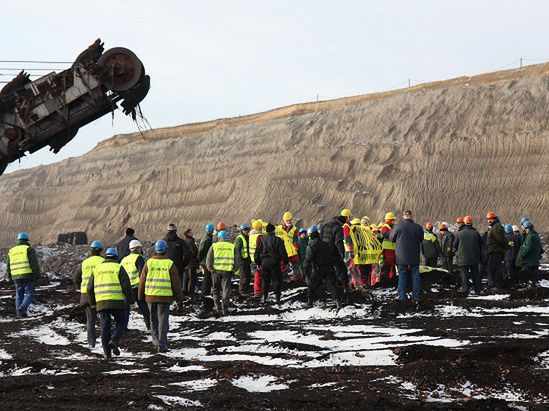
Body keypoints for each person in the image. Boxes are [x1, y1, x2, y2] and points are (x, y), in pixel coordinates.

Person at [87, 248, 134, 359]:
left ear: (106, 256)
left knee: (104, 328)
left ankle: (107, 355)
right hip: (117, 302)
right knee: (121, 322)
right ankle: (114, 340)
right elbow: (126, 287)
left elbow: (89, 288)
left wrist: (93, 303)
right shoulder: (118, 267)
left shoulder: (97, 269)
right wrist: (131, 301)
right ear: (116, 257)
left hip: (102, 303)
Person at [138, 240, 183, 353]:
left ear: (156, 250)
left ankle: (155, 340)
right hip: (164, 297)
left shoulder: (149, 263)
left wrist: (140, 295)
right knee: (163, 320)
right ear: (166, 250)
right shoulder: (169, 264)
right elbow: (176, 283)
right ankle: (162, 344)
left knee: (153, 319)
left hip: (150, 296)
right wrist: (179, 299)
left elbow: (142, 281)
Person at [73, 240, 104, 347]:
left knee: (90, 320)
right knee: (104, 318)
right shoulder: (103, 261)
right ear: (101, 250)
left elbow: (76, 278)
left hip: (86, 295)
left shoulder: (85, 262)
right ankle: (105, 342)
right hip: (101, 294)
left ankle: (91, 343)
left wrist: (80, 288)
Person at [302, 226, 341, 308]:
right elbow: (333, 256)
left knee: (312, 285)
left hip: (318, 269)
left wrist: (306, 272)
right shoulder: (327, 244)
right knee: (331, 285)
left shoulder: (311, 246)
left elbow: (307, 260)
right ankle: (338, 303)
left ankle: (309, 302)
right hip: (329, 268)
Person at [390, 210, 424, 302]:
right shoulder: (418, 227)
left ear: (403, 216)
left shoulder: (398, 226)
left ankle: (402, 296)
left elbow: (391, 238)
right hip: (414, 255)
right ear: (411, 216)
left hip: (401, 256)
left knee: (402, 275)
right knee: (415, 275)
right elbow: (421, 240)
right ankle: (416, 296)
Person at [7, 232, 41, 318]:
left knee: (19, 295)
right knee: (29, 293)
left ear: (18, 240)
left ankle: (19, 315)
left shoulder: (11, 251)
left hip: (16, 277)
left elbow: (8, 265)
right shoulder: (28, 249)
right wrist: (37, 275)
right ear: (27, 240)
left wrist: (10, 277)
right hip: (28, 276)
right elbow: (34, 264)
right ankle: (23, 307)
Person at [206, 230, 240, 314]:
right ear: (226, 238)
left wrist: (210, 268)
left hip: (215, 271)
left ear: (219, 238)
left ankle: (217, 307)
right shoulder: (232, 246)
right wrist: (234, 269)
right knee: (226, 290)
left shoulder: (214, 246)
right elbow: (237, 259)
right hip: (227, 271)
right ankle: (224, 308)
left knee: (215, 289)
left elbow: (209, 258)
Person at [255, 223, 289, 304]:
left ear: (266, 231)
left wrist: (258, 262)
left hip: (264, 263)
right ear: (274, 230)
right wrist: (285, 262)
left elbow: (257, 252)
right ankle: (277, 297)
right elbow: (283, 253)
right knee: (276, 280)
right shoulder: (278, 240)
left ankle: (264, 296)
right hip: (275, 263)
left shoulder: (262, 240)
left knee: (265, 280)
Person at [120, 240, 150, 331]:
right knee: (144, 307)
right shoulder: (139, 258)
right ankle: (149, 326)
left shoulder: (124, 259)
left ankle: (124, 327)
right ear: (137, 248)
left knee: (125, 309)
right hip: (136, 287)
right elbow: (142, 273)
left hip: (125, 288)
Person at [453, 215, 483, 294]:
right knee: (475, 275)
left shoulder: (459, 233)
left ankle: (465, 290)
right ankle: (478, 290)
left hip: (463, 258)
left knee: (465, 275)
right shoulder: (476, 233)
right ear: (471, 223)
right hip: (474, 257)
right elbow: (481, 244)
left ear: (464, 223)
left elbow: (454, 246)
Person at [164, 223, 191, 307]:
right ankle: (179, 304)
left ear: (167, 231)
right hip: (178, 267)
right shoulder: (181, 242)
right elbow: (187, 255)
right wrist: (183, 265)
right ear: (175, 231)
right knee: (178, 287)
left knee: (166, 286)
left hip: (165, 268)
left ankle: (167, 303)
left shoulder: (163, 242)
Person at [321, 215, 347, 288]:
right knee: (342, 269)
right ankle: (342, 286)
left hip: (324, 251)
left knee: (328, 269)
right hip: (333, 251)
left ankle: (327, 286)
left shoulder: (325, 225)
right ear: (342, 223)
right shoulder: (338, 228)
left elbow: (321, 237)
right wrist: (342, 253)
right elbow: (339, 242)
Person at [485, 211, 508, 288]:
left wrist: (506, 245)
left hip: (496, 251)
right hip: (494, 250)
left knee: (495, 268)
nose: (489, 221)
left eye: (491, 219)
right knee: (493, 268)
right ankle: (497, 284)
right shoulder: (495, 226)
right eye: (488, 219)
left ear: (495, 219)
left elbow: (500, 238)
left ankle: (498, 284)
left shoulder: (496, 226)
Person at [276, 212, 300, 278]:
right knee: (283, 266)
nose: (289, 221)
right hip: (283, 250)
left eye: (290, 220)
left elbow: (295, 239)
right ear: (284, 220)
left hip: (292, 250)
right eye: (287, 220)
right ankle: (284, 278)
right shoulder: (279, 228)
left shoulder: (294, 229)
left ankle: (297, 278)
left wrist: (296, 247)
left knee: (295, 265)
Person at [380, 212, 398, 287]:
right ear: (389, 220)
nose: (394, 222)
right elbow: (386, 235)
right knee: (386, 266)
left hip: (392, 250)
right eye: (393, 220)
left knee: (392, 266)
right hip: (387, 250)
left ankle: (391, 281)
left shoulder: (392, 228)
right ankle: (385, 283)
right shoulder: (385, 227)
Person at [198, 224, 215, 297]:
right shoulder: (207, 239)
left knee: (207, 276)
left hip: (205, 260)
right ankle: (205, 291)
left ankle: (206, 291)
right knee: (207, 277)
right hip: (205, 261)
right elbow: (202, 250)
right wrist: (200, 259)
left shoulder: (207, 238)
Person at [234, 224, 252, 296]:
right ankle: (242, 290)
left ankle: (246, 289)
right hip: (243, 260)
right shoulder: (240, 238)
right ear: (242, 231)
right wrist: (240, 260)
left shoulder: (247, 237)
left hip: (247, 259)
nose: (247, 231)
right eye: (245, 230)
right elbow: (237, 250)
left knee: (248, 275)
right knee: (243, 276)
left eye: (247, 230)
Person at [249, 220, 264, 297]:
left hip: (252, 258)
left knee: (257, 275)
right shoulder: (259, 237)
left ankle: (257, 291)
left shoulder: (251, 235)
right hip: (258, 259)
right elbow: (260, 249)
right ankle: (258, 292)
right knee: (259, 276)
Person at [183, 228, 199, 296]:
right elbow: (194, 251)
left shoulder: (184, 241)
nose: (192, 234)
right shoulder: (190, 241)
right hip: (191, 262)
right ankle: (190, 292)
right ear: (188, 234)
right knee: (191, 278)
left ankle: (185, 290)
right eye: (191, 232)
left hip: (186, 262)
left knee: (186, 277)